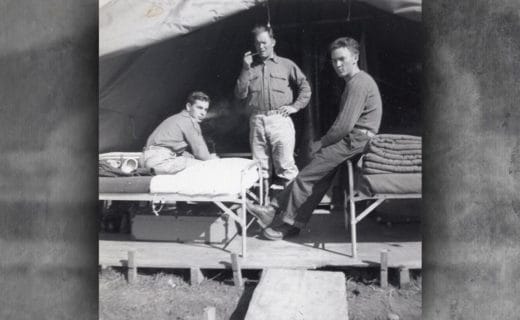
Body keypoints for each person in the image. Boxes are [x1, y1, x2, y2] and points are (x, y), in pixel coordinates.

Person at [247, 37, 383, 240]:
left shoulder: (359, 83)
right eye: (334, 60)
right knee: (316, 177)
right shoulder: (354, 82)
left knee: (306, 176)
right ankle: (274, 211)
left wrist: (322, 143)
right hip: (354, 141)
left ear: (355, 57)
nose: (337, 64)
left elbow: (344, 126)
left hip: (356, 141)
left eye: (342, 59)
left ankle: (285, 222)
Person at [235, 25, 311, 188]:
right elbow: (240, 94)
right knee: (260, 169)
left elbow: (305, 87)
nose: (261, 47)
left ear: (273, 42)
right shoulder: (250, 68)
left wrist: (295, 107)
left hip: (280, 119)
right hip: (257, 120)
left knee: (286, 165)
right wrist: (245, 68)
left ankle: (292, 211)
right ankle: (264, 208)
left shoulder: (286, 65)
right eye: (257, 44)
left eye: (264, 42)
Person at [143, 91, 217, 174]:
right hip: (161, 162)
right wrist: (214, 159)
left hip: (146, 160)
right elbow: (202, 155)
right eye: (199, 108)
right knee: (207, 167)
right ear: (189, 107)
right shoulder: (189, 121)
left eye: (205, 109)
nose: (203, 113)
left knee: (190, 159)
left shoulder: (176, 118)